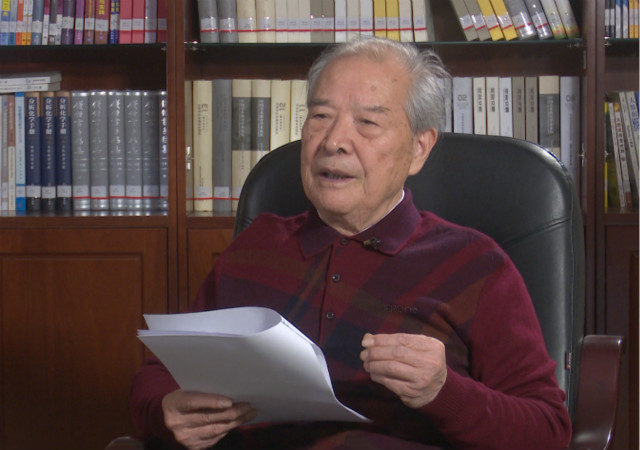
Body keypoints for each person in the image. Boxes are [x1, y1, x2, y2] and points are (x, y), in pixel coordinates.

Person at [130, 37, 572, 450]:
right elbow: (160, 374)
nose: (334, 142)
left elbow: (548, 430)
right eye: (321, 116)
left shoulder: (475, 266)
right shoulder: (255, 248)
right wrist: (166, 411)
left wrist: (444, 392)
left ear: (419, 148)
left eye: (368, 122)